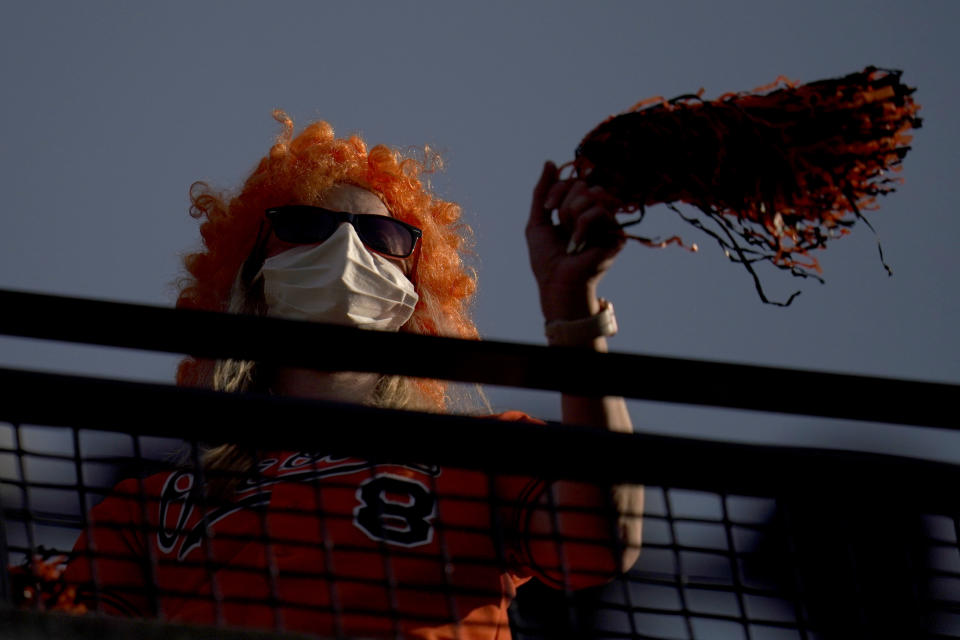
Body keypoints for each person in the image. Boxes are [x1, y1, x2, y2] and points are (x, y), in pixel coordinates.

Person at [62, 112, 643, 639]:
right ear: (250, 276)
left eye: (383, 238)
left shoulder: (483, 459)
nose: (344, 249)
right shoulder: (142, 508)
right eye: (305, 226)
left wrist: (574, 314)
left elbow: (598, 544)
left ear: (416, 290)